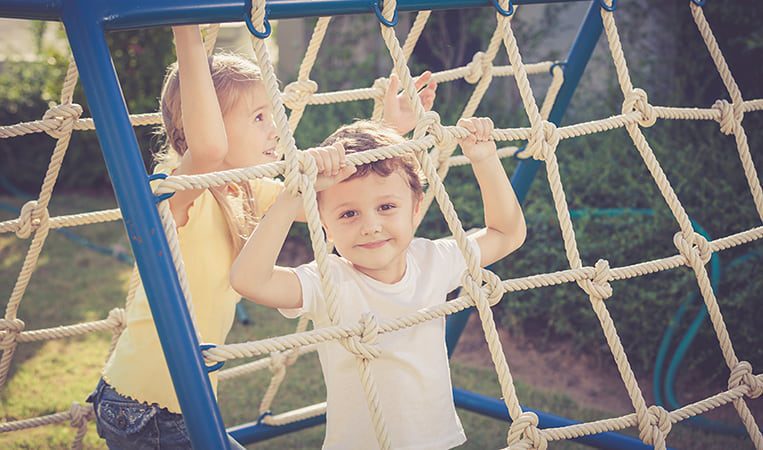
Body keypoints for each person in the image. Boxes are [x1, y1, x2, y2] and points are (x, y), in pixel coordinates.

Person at [87, 24, 436, 449]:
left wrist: (390, 131)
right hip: (144, 408)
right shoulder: (174, 194)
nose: (275, 128)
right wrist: (187, 32)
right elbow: (211, 149)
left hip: (181, 402)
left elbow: (340, 189)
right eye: (257, 118)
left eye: (272, 114)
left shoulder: (247, 192)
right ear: (202, 126)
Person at [230, 117, 526, 449]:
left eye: (386, 207)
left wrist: (485, 159)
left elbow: (507, 234)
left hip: (434, 443)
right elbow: (249, 280)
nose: (370, 226)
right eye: (348, 214)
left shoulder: (432, 261)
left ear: (416, 210)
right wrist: (291, 197)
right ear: (323, 225)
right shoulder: (329, 281)